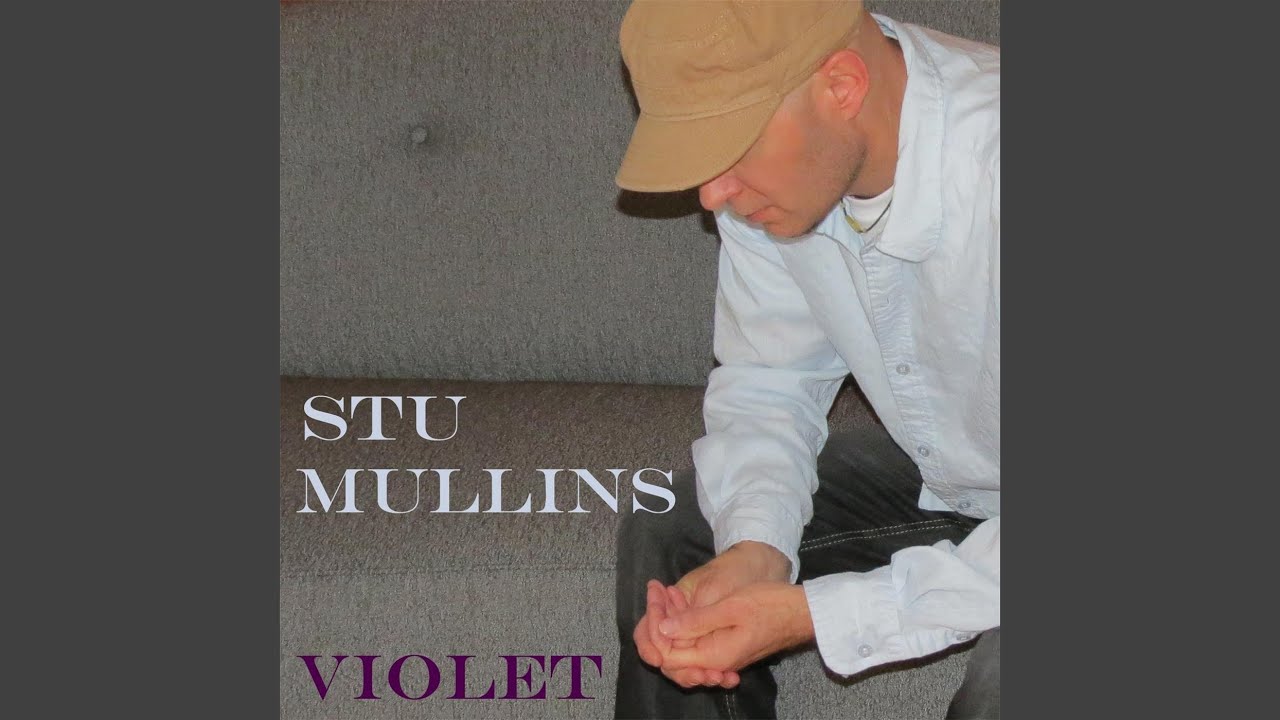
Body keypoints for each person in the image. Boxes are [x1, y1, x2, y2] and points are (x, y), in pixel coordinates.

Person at [611, 1, 1000, 719]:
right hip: (978, 477)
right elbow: (769, 381)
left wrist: (812, 613)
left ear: (842, 86)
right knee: (680, 533)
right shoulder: (777, 187)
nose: (711, 193)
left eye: (730, 146)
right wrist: (757, 549)